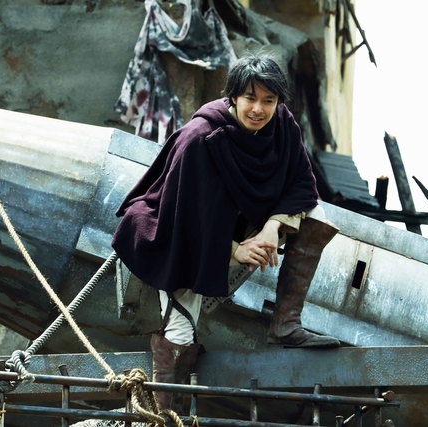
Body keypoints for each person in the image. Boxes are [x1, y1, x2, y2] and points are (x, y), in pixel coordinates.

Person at [111, 51, 340, 414]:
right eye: (250, 98)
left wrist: (272, 228)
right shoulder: (200, 138)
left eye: (268, 100)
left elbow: (302, 183)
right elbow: (184, 214)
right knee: (180, 332)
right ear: (233, 96)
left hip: (232, 221)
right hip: (174, 228)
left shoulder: (282, 124)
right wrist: (235, 250)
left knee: (316, 213)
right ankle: (168, 418)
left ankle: (285, 324)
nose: (258, 109)